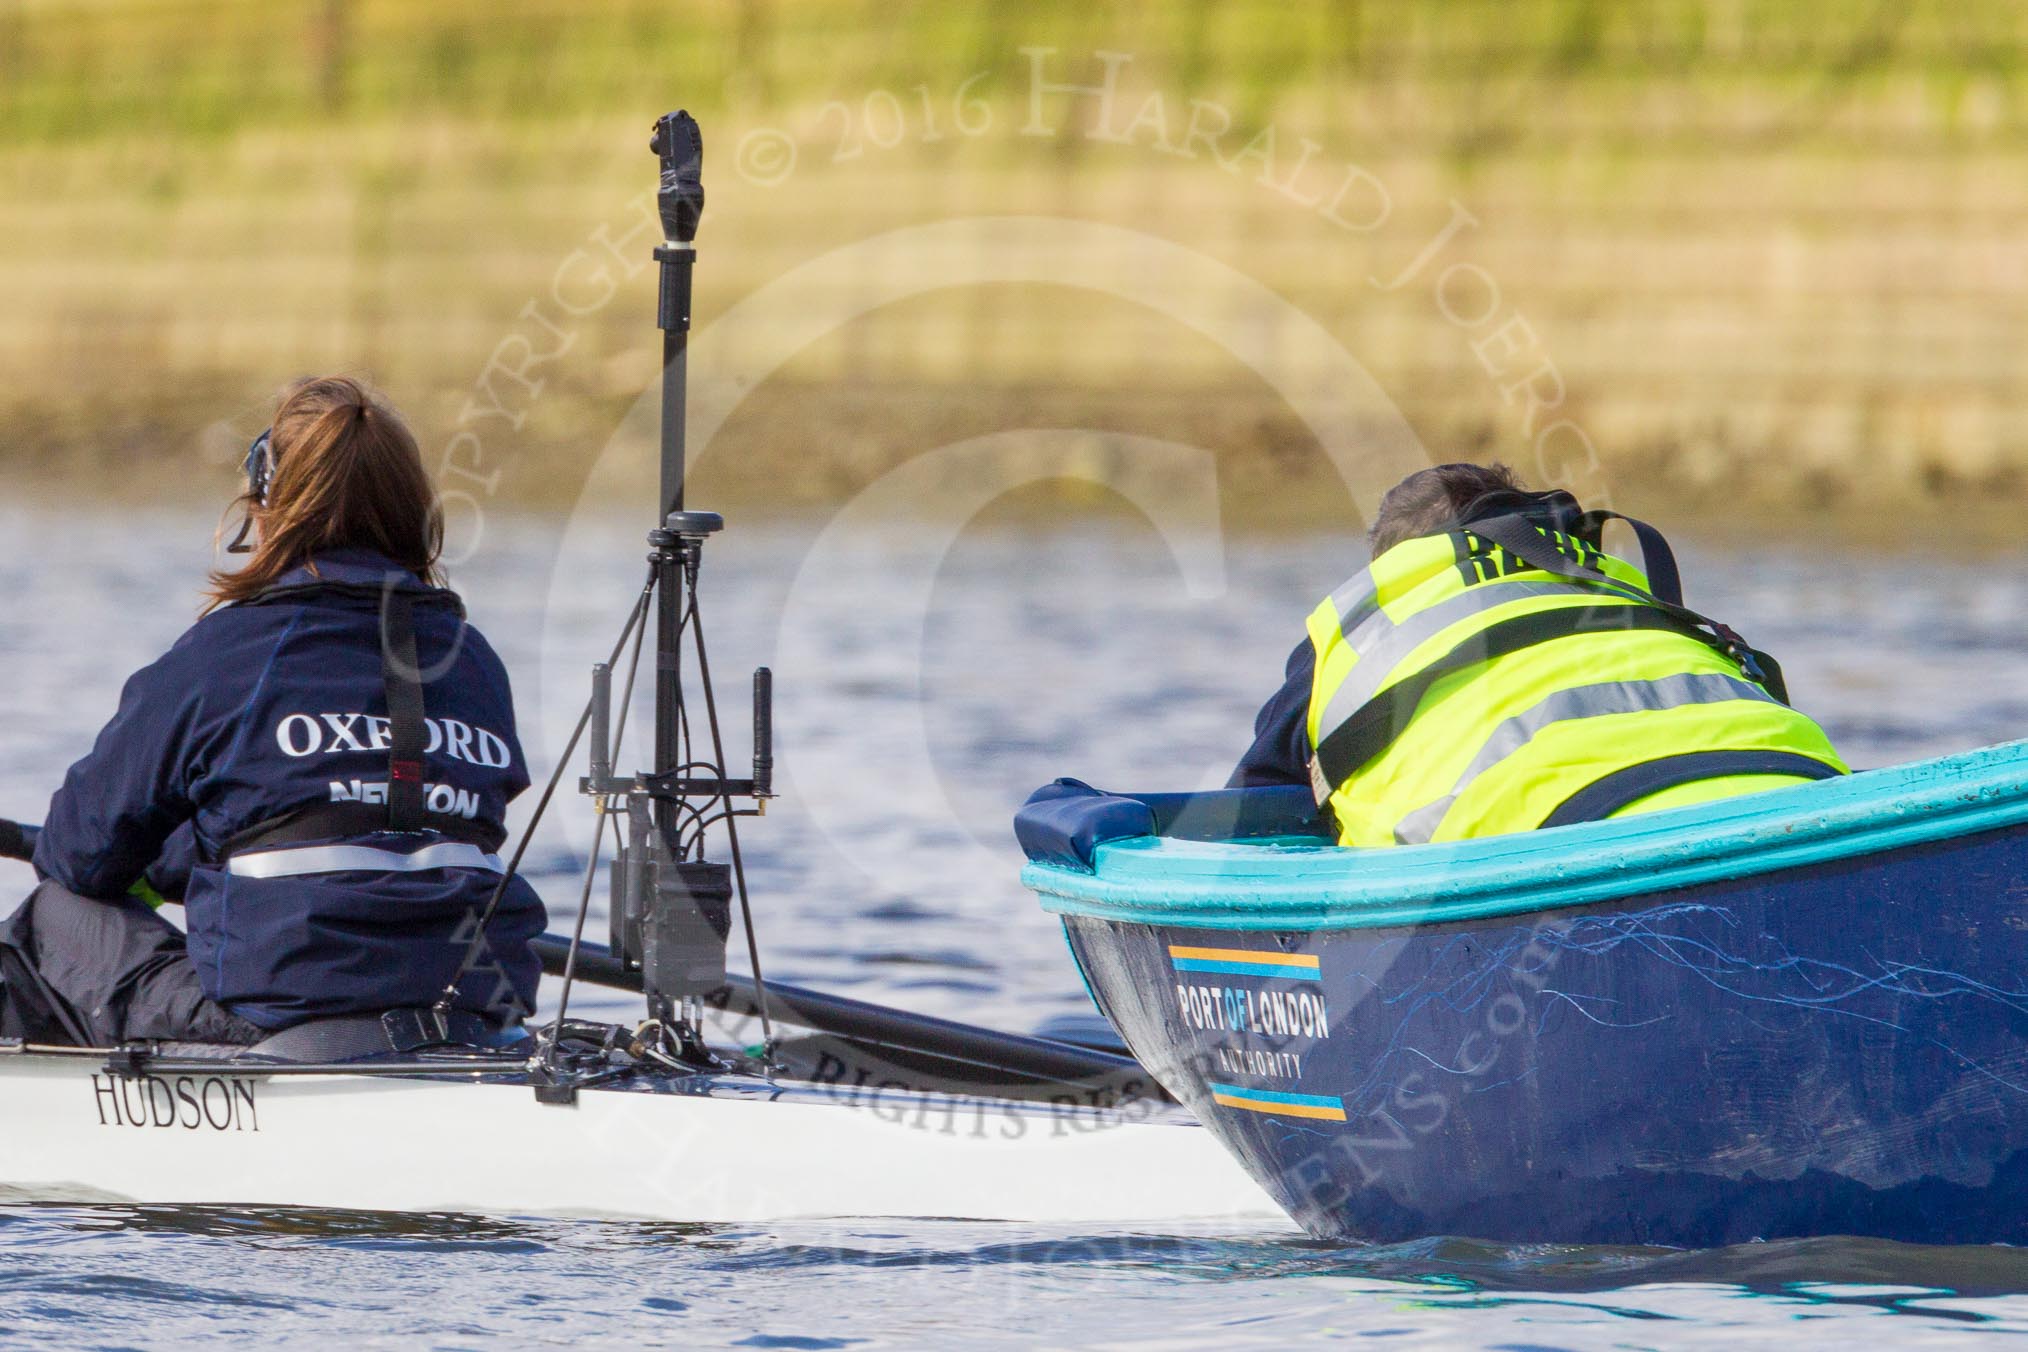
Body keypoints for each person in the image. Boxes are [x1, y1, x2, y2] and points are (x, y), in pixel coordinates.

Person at [0, 376, 546, 1046]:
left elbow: (78, 855)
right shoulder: (473, 659)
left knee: (51, 917)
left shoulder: (225, 653)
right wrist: (206, 849)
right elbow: (375, 815)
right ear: (415, 513)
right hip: (474, 1008)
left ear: (268, 505)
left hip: (285, 1016)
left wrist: (179, 858)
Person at [1232, 462, 1846, 847]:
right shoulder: (1618, 581)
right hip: (1808, 800)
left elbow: (1246, 822)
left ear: (1389, 558)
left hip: (1550, 852)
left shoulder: (1371, 616)